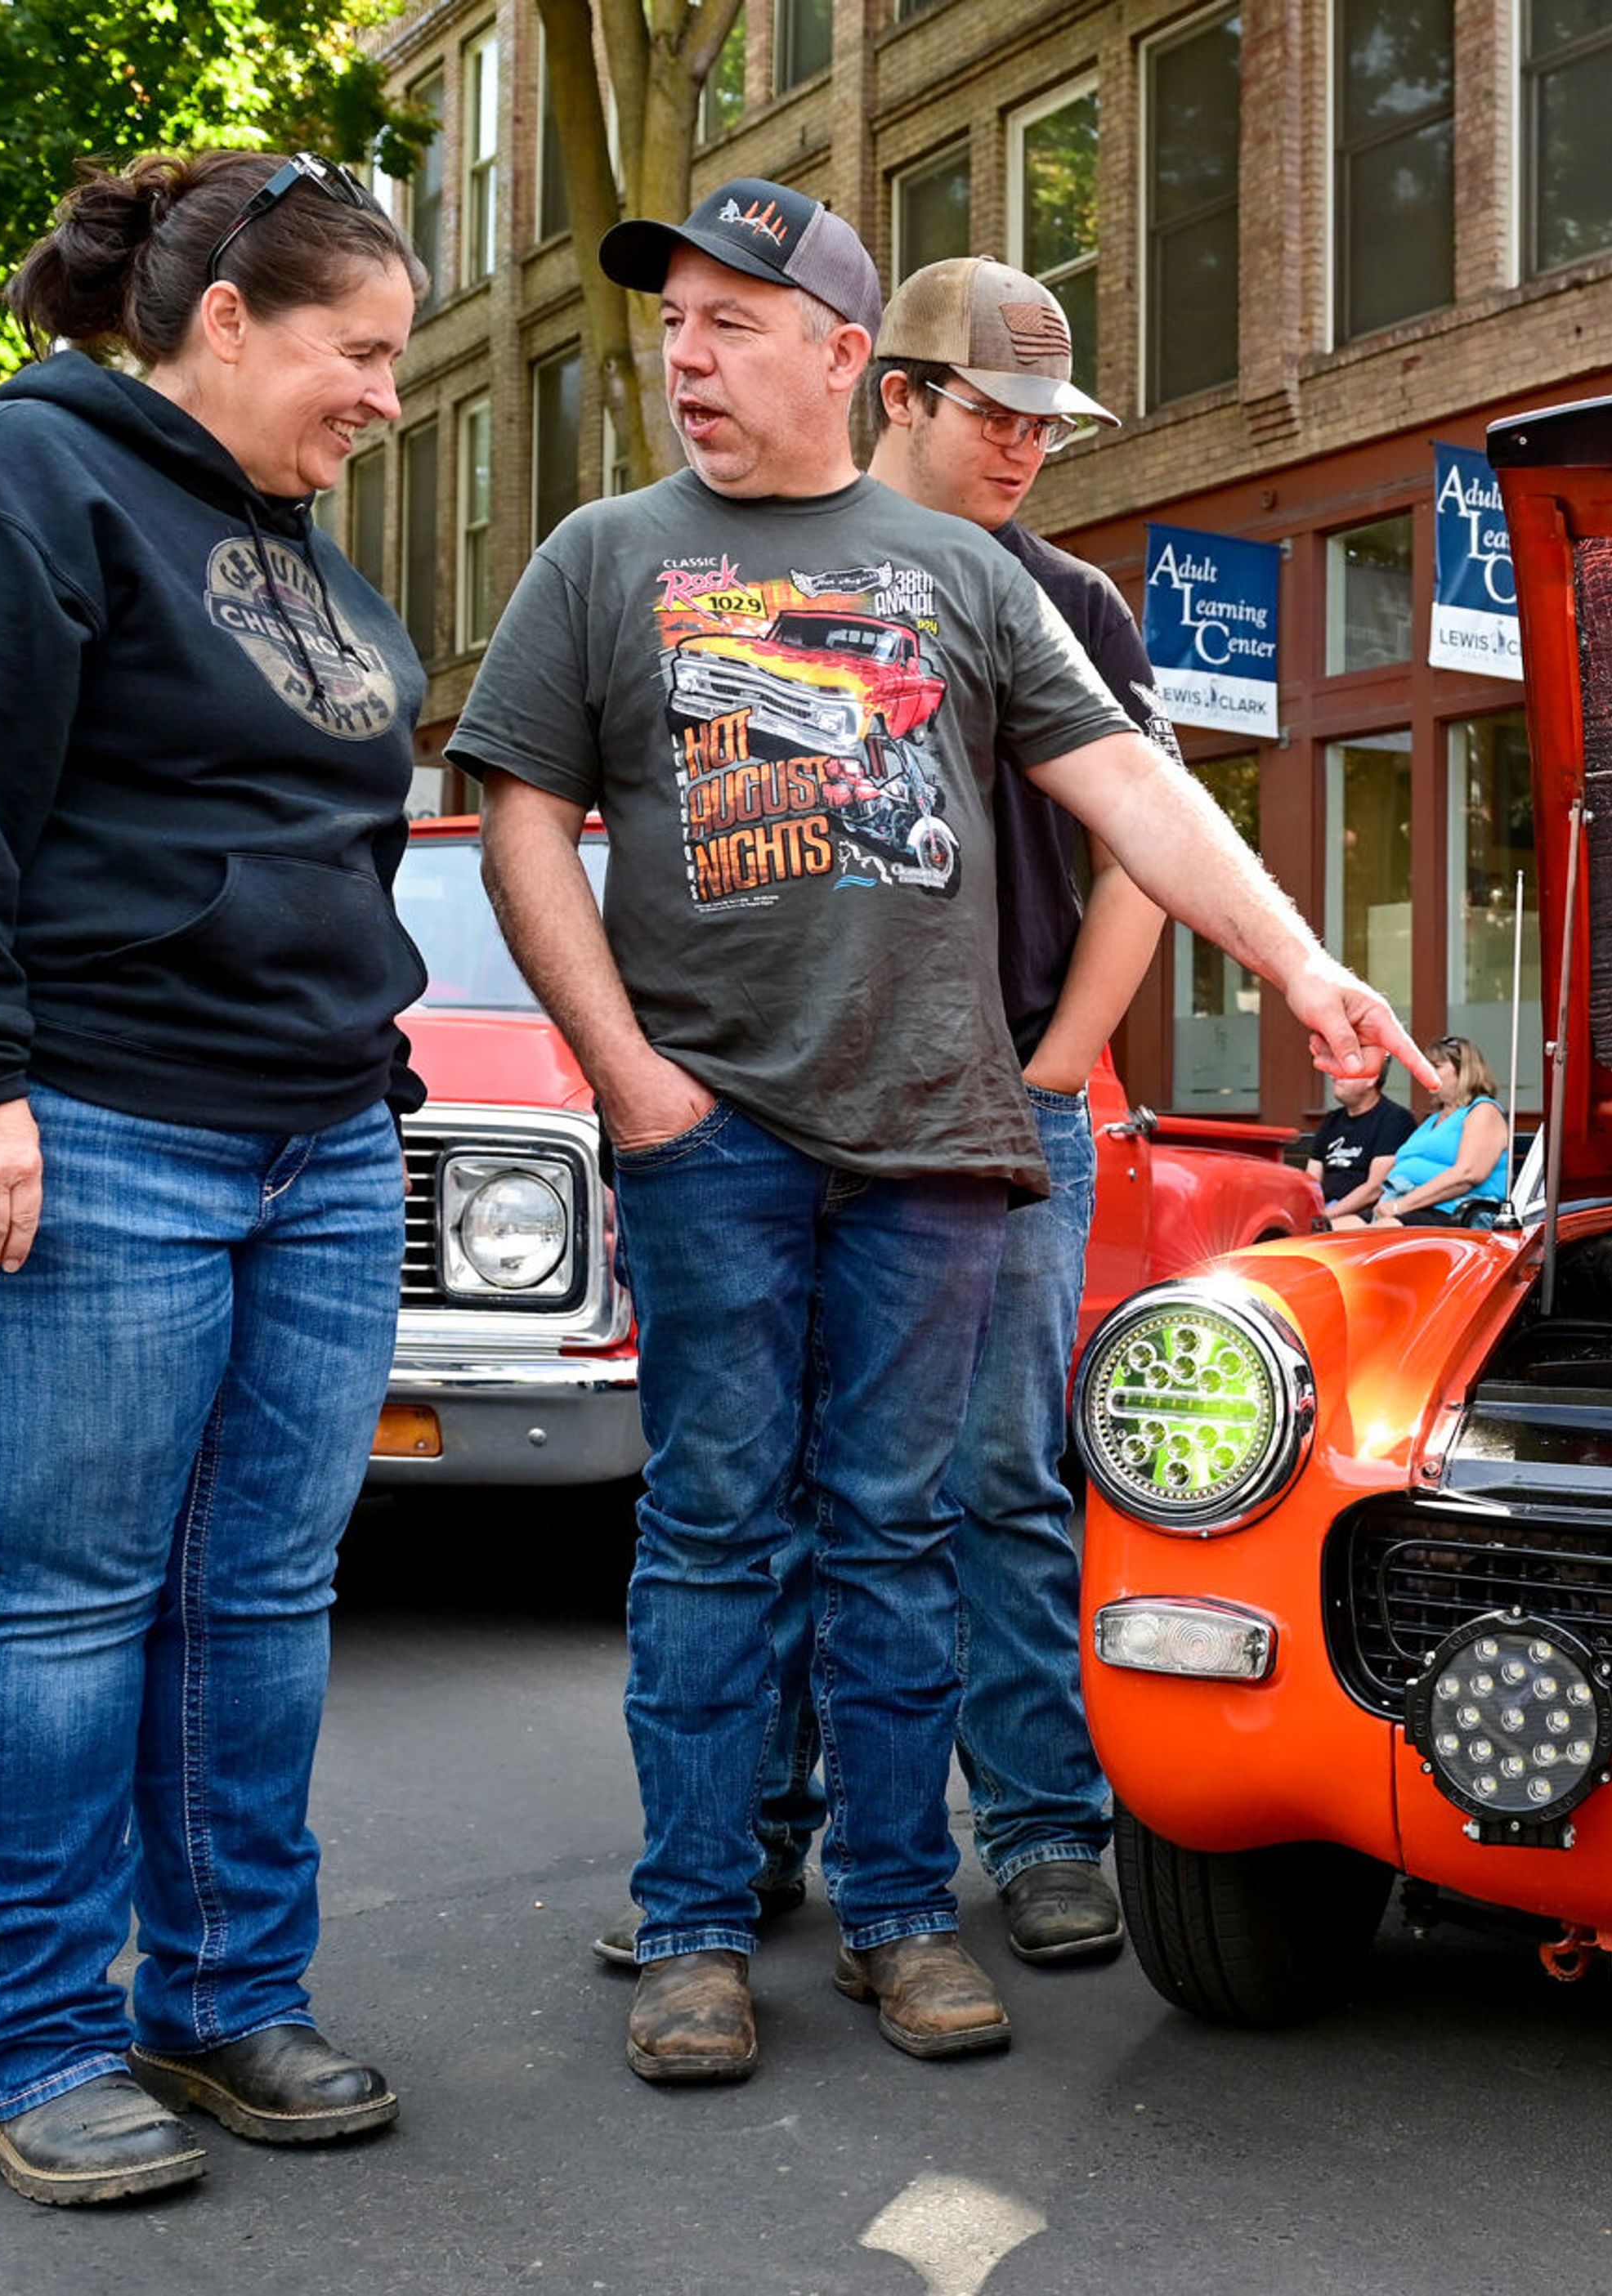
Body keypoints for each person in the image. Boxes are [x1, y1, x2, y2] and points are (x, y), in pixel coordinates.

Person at [454, 178, 1425, 2079]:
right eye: (674, 328)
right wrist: (628, 1076)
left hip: (938, 1143)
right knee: (717, 1527)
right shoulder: (598, 557)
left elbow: (1131, 791)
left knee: (899, 1532)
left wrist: (1303, 966)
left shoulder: (968, 575)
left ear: (839, 351)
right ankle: (694, 1925)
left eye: (734, 324)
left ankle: (905, 1918)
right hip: (713, 1133)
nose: (690, 359)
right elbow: (517, 826)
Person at [0, 150, 428, 2207]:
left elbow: (320, 846)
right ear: (226, 319)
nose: (385, 397)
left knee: (254, 1597)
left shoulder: (298, 551)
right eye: (359, 352)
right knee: (60, 1599)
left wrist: (373, 1058)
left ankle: (224, 1994)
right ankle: (35, 2036)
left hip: (312, 1140)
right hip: (75, 1127)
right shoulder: (12, 486)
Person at [585, 253, 1172, 1975]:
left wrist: (1052, 1068)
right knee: (748, 1492)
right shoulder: (716, 567)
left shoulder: (1068, 596)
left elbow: (1148, 836)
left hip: (987, 1112)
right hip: (773, 1115)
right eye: (997, 413)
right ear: (892, 391)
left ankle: (1043, 1831)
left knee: (989, 1479)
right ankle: (748, 1841)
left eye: (1049, 426)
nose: (1028, 451)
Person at [1356, 1036, 1512, 1229]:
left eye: (1436, 1066)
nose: (1426, 1072)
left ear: (1464, 1071)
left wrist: (1400, 1205)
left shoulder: (1483, 1110)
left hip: (1453, 1213)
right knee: (1325, 1234)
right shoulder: (1432, 1120)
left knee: (1361, 1244)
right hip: (1402, 1208)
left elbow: (1468, 1174)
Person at [1301, 1062, 1417, 1220]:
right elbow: (1311, 1181)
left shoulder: (1395, 1119)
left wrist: (1323, 1217)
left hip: (1362, 1218)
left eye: (1344, 1070)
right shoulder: (1331, 1120)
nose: (1333, 1075)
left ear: (1371, 1078)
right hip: (1322, 1212)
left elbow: (1375, 1188)